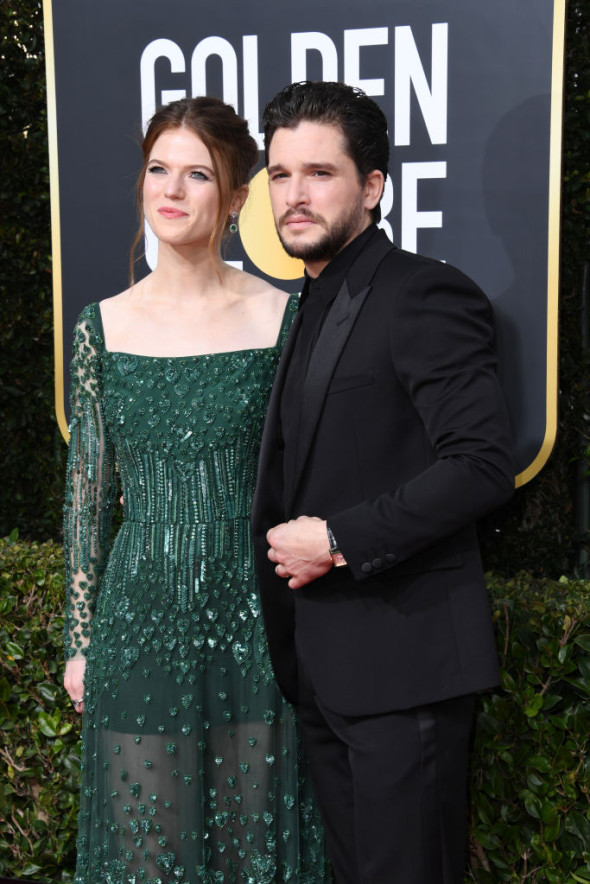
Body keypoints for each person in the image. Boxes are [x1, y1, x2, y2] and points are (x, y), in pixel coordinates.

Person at [251, 81, 515, 884]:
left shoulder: (421, 294)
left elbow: (479, 464)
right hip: (327, 673)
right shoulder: (310, 304)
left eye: (320, 174)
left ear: (371, 186)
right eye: (280, 174)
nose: (295, 196)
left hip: (405, 672)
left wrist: (337, 538)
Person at [63, 96, 330, 884]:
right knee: (147, 850)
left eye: (197, 174)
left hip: (254, 616)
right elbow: (86, 496)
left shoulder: (284, 316)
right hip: (139, 615)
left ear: (237, 197)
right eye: (158, 169)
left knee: (257, 845)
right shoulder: (99, 327)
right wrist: (80, 641)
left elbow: (309, 474)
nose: (171, 190)